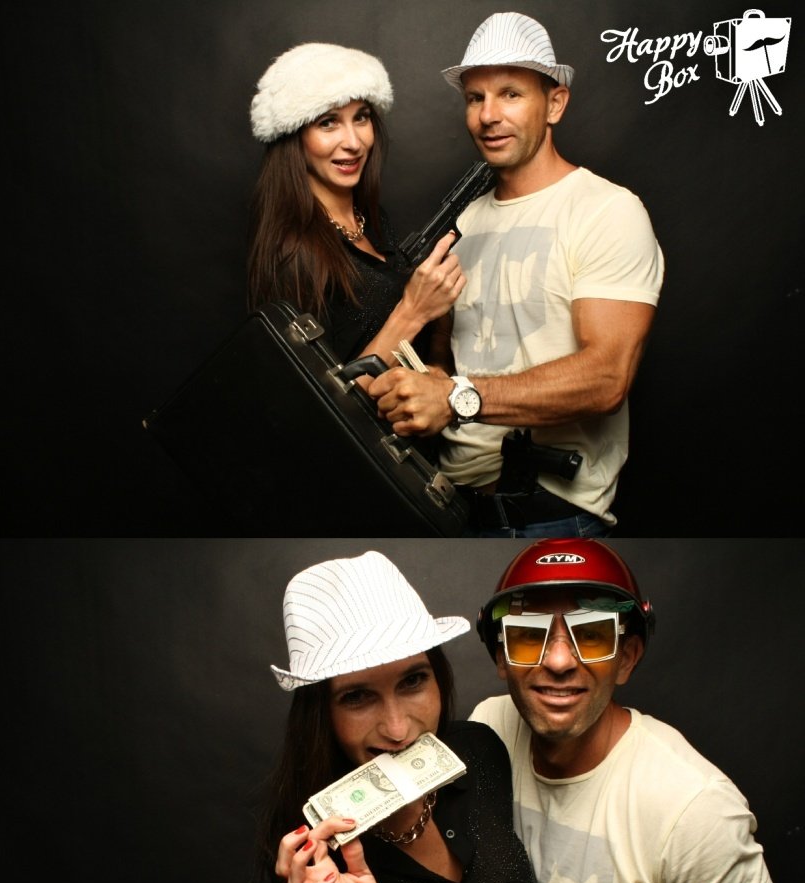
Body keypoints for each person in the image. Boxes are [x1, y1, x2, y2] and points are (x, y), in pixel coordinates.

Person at [471, 537, 785, 883]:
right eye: (527, 636)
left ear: (627, 658)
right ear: (502, 657)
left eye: (592, 635)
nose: (558, 661)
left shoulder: (689, 803)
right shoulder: (489, 733)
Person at [368, 12, 665, 536]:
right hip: (453, 508)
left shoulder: (608, 210)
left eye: (510, 94)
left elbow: (606, 379)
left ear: (555, 104)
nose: (488, 115)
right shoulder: (464, 223)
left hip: (551, 517)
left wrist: (454, 397)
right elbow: (448, 360)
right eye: (475, 98)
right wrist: (426, 383)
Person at [260, 549, 532, 883]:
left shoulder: (478, 752)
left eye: (412, 681)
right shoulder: (310, 856)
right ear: (321, 713)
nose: (399, 728)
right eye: (358, 697)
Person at [247, 42, 465, 367]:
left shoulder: (372, 222)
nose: (354, 142)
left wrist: (441, 321)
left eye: (361, 117)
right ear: (294, 138)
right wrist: (413, 311)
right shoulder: (293, 253)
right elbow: (321, 394)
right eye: (328, 122)